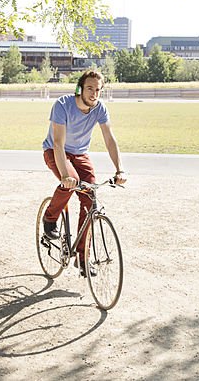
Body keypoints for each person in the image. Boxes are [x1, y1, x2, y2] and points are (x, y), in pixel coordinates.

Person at [41, 69, 126, 269]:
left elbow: (109, 139)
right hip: (55, 151)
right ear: (80, 88)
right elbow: (59, 143)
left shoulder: (100, 109)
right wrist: (65, 175)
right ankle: (50, 218)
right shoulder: (62, 105)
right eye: (89, 88)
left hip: (80, 155)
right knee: (71, 181)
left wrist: (120, 169)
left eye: (98, 90)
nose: (94, 94)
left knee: (90, 199)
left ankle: (82, 257)